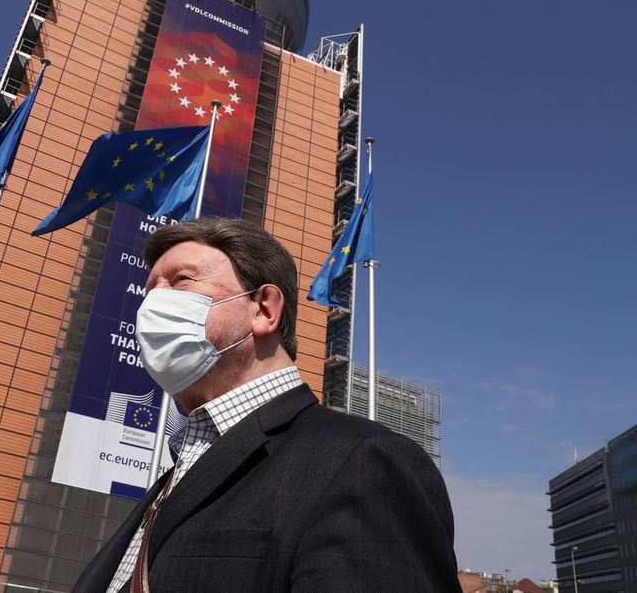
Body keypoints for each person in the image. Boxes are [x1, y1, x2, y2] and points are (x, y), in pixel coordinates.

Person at [73, 217, 460, 592]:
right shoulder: (173, 477)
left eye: (181, 281)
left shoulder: (363, 462)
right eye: (150, 290)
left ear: (264, 309)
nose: (153, 306)